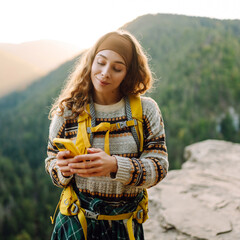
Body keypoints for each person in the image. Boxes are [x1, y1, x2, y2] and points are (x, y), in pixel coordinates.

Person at [45, 30, 168, 240]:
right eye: (100, 62)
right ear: (91, 62)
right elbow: (51, 165)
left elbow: (159, 166)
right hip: (76, 223)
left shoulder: (145, 111)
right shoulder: (67, 112)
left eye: (117, 68)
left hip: (123, 225)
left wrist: (114, 166)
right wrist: (62, 168)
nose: (105, 73)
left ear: (128, 73)